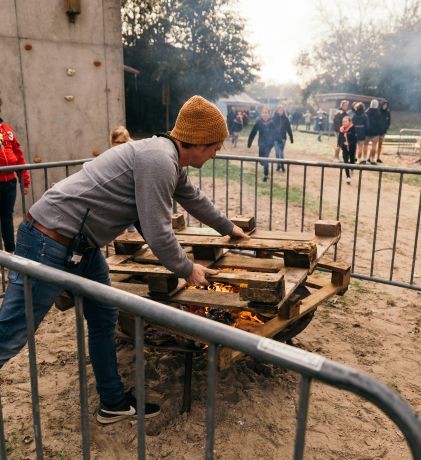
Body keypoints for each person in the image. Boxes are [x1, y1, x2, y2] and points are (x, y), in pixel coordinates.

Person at [0, 96, 249, 425]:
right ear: (201, 143)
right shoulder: (159, 160)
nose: (217, 152)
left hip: (81, 247)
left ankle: (113, 403)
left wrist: (229, 228)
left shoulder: (167, 158)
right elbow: (158, 232)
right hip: (49, 239)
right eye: (216, 146)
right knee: (13, 330)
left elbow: (193, 198)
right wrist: (188, 269)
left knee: (105, 319)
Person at [0, 118, 30, 253]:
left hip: (9, 181)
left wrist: (24, 181)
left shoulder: (7, 129)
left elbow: (18, 155)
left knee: (7, 216)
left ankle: (10, 250)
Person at [110, 126, 136, 231]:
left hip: (130, 191)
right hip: (116, 192)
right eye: (117, 142)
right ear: (112, 142)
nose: (120, 145)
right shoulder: (111, 155)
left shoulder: (133, 153)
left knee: (131, 221)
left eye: (123, 142)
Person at [247, 106, 275, 182]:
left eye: (266, 113)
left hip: (269, 144)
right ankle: (264, 164)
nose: (264, 114)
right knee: (261, 160)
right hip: (261, 144)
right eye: (263, 113)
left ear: (269, 114)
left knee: (266, 158)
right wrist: (249, 142)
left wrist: (274, 142)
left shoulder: (272, 123)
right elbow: (253, 132)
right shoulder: (259, 122)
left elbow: (275, 133)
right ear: (261, 114)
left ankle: (266, 175)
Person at [272, 105, 294, 173]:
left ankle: (282, 165)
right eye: (279, 110)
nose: (280, 111)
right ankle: (278, 165)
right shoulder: (274, 118)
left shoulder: (285, 119)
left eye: (281, 110)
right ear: (277, 111)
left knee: (280, 152)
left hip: (283, 138)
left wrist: (291, 137)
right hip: (275, 138)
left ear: (283, 111)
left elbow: (289, 129)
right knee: (277, 152)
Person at [337, 116, 357, 184]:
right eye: (343, 121)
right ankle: (348, 177)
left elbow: (355, 139)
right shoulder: (341, 129)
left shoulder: (353, 128)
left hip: (352, 147)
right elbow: (339, 138)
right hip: (344, 148)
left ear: (349, 122)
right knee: (345, 161)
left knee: (352, 161)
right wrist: (339, 145)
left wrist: (349, 144)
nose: (344, 123)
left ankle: (352, 170)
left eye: (345, 121)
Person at [364, 99, 382, 165]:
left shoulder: (366, 112)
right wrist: (379, 131)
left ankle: (365, 158)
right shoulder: (379, 113)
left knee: (365, 145)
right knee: (374, 146)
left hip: (367, 132)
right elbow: (380, 124)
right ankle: (373, 159)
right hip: (375, 133)